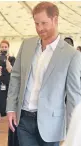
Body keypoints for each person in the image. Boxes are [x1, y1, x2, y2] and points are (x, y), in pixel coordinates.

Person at [6, 2, 81, 146]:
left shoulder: (71, 55)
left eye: (44, 23)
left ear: (55, 19)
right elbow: (15, 77)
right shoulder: (26, 45)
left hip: (52, 126)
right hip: (24, 121)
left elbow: (74, 96)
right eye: (36, 23)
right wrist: (10, 108)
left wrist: (73, 132)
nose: (39, 28)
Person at [0, 40, 15, 134]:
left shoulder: (12, 59)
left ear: (8, 48)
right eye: (2, 47)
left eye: (5, 47)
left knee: (10, 105)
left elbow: (10, 70)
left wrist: (7, 59)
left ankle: (11, 127)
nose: (4, 48)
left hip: (9, 84)